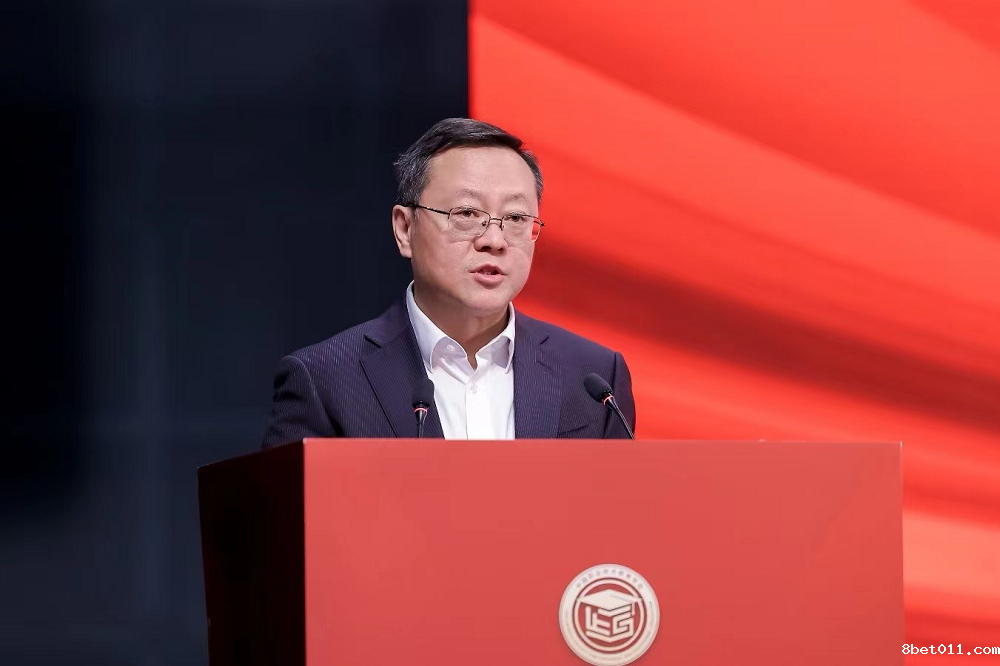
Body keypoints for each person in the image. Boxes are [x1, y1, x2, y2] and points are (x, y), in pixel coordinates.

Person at [262, 118, 635, 446]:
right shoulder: (326, 379)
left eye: (516, 218)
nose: (494, 240)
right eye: (467, 213)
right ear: (405, 229)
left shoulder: (594, 378)